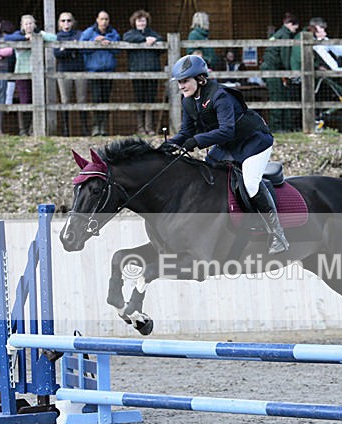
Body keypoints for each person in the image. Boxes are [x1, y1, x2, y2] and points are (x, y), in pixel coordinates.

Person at [163, 55, 288, 255]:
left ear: (200, 79)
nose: (181, 86)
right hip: (228, 145)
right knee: (206, 175)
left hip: (254, 142)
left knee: (250, 183)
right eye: (179, 82)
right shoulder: (188, 101)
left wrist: (196, 141)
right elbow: (186, 132)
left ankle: (277, 234)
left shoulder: (220, 96)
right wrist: (168, 145)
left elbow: (226, 130)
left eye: (185, 81)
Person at [5, 15, 57, 136]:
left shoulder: (39, 34)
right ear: (22, 26)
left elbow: (53, 37)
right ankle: (23, 130)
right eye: (26, 24)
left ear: (34, 24)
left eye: (31, 23)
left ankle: (34, 130)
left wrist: (38, 36)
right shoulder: (17, 36)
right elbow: (8, 38)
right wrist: (25, 38)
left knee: (37, 101)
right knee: (25, 101)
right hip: (22, 73)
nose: (29, 26)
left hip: (37, 73)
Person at [123, 10, 163, 136]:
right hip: (137, 72)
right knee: (139, 99)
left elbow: (161, 40)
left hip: (152, 72)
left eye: (143, 20)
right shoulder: (131, 34)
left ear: (147, 22)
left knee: (151, 99)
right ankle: (140, 127)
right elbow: (126, 38)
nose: (141, 22)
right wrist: (144, 39)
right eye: (138, 20)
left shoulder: (153, 34)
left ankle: (149, 127)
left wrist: (154, 40)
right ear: (134, 22)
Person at [80, 10, 120, 136]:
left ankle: (103, 127)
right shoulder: (89, 32)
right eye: (102, 19)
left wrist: (110, 44)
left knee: (105, 99)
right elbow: (81, 48)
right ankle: (96, 127)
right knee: (96, 99)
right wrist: (94, 41)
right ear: (97, 20)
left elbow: (118, 50)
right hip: (94, 71)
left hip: (109, 71)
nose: (104, 22)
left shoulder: (113, 33)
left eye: (106, 19)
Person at [260, 13, 300, 132]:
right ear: (290, 24)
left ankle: (280, 126)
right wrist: (290, 72)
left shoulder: (277, 34)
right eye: (294, 28)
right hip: (273, 71)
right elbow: (284, 56)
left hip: (270, 69)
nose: (294, 31)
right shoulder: (285, 36)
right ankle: (276, 128)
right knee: (277, 98)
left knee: (277, 97)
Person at [54, 12, 88, 136]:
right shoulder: (57, 37)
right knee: (65, 100)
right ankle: (66, 130)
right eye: (63, 21)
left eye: (68, 20)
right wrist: (71, 47)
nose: (66, 23)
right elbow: (57, 54)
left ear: (73, 22)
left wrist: (65, 48)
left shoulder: (79, 34)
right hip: (63, 71)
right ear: (59, 23)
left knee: (82, 99)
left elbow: (82, 48)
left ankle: (85, 129)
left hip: (79, 69)